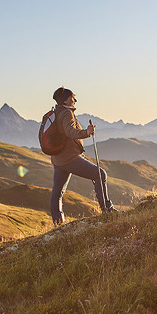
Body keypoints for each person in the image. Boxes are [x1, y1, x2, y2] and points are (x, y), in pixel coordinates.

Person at [49, 87, 116, 225]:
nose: (75, 100)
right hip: (69, 158)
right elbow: (71, 132)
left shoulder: (56, 113)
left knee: (57, 192)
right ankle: (107, 210)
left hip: (58, 159)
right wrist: (87, 132)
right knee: (100, 174)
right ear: (67, 100)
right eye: (73, 98)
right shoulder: (67, 113)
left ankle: (58, 222)